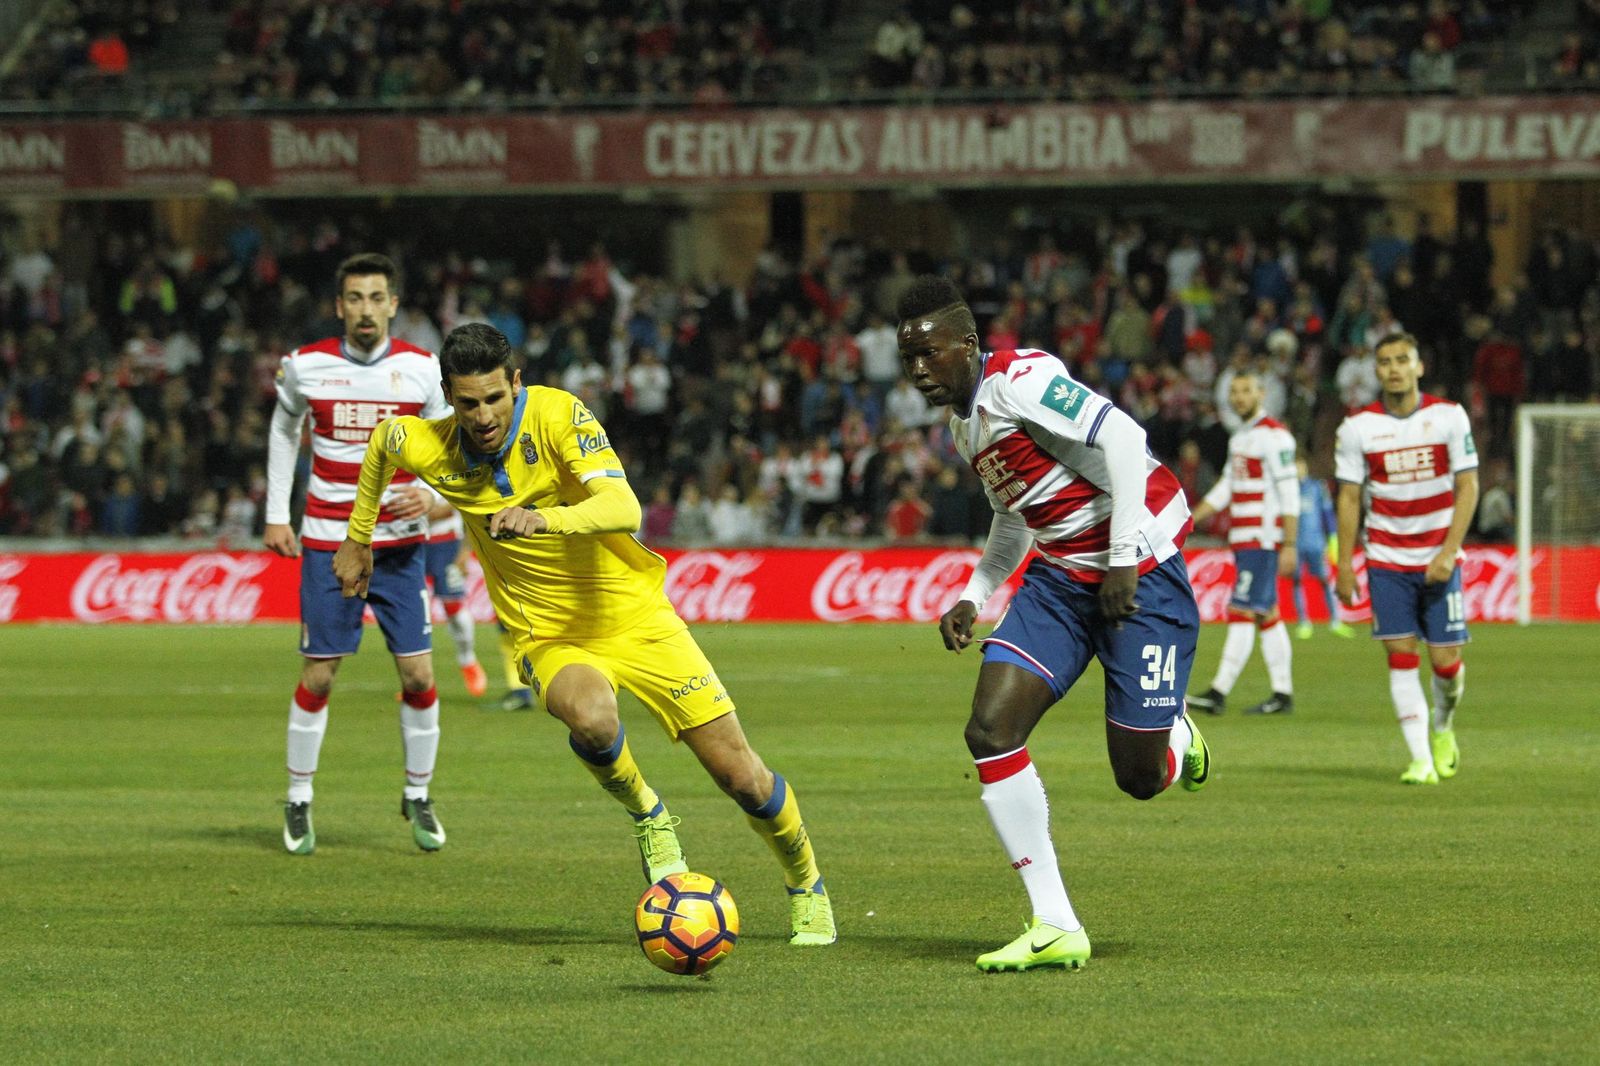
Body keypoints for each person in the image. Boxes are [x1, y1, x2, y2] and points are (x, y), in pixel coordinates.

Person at [332, 323, 836, 946]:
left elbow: (625, 509)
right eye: (468, 403)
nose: (484, 415)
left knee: (741, 777)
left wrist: (543, 519)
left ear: (516, 383)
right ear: (448, 399)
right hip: (546, 634)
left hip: (637, 618)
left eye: (495, 397)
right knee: (592, 719)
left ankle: (806, 883)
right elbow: (382, 443)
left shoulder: (557, 414)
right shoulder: (430, 444)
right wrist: (357, 539)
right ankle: (650, 814)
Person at [897, 277, 1208, 973]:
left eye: (929, 353)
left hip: (1142, 572)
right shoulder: (965, 425)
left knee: (1139, 777)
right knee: (989, 730)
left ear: (968, 346)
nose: (918, 369)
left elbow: (1126, 438)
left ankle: (1176, 732)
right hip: (1060, 581)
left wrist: (1123, 555)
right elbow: (1014, 514)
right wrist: (976, 595)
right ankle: (1054, 921)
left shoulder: (1022, 382)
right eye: (907, 358)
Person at [264, 252, 452, 856]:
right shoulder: (306, 367)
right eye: (354, 299)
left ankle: (418, 794)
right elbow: (283, 429)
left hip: (399, 550)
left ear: (393, 305)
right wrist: (275, 513)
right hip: (327, 541)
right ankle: (297, 800)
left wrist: (431, 497)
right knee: (319, 676)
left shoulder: (423, 370)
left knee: (419, 674)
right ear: (339, 305)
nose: (365, 310)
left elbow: (452, 451)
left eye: (376, 298)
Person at [1335, 333, 1478, 785]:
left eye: (1402, 360)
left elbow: (1468, 486)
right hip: (1387, 560)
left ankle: (1442, 725)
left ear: (1419, 367)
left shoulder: (1448, 416)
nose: (1394, 368)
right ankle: (1420, 759)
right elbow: (1350, 498)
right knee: (1400, 654)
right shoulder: (1356, 428)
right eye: (1385, 361)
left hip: (1439, 557)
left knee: (1446, 662)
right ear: (1376, 371)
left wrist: (1449, 551)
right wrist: (1344, 563)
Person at [1185, 371, 1300, 717]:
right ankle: (1283, 693)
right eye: (1234, 392)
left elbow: (1289, 492)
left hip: (1261, 538)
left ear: (1261, 393)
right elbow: (1226, 488)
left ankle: (1218, 692)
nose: (1239, 398)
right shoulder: (1240, 439)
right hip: (1244, 538)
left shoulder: (1275, 437)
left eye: (1246, 391)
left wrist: (1290, 543)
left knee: (1241, 610)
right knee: (1266, 614)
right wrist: (1191, 518)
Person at [421, 489, 488, 697]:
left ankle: (467, 660)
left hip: (446, 543)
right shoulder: (406, 467)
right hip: (413, 543)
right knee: (412, 611)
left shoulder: (447, 468)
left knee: (453, 606)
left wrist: (465, 550)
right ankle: (417, 680)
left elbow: (462, 505)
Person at [1288, 455, 1355, 640]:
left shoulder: (1317, 487)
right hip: (1295, 544)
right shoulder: (1288, 490)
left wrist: (1333, 537)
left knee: (1325, 580)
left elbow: (1327, 513)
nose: (1298, 470)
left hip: (1316, 542)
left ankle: (1335, 620)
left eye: (1300, 466)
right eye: (1295, 467)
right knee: (1297, 582)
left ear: (1306, 468)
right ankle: (1304, 622)